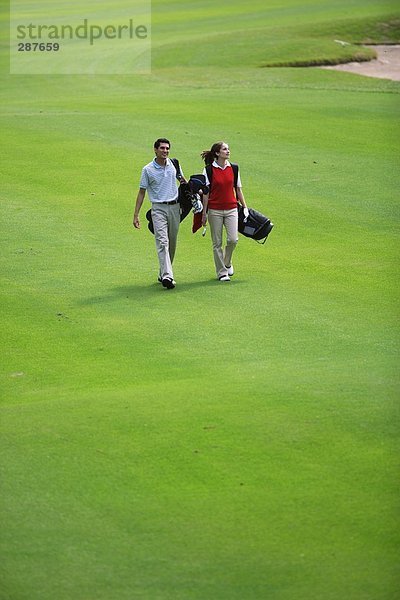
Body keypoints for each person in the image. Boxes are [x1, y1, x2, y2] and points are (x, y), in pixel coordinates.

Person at [133, 138, 186, 289]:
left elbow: (183, 181)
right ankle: (168, 276)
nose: (165, 151)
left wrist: (194, 195)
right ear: (155, 150)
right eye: (162, 148)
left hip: (175, 208)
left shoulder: (174, 164)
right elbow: (142, 192)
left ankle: (163, 272)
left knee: (172, 242)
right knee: (162, 242)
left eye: (167, 148)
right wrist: (136, 215)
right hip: (158, 209)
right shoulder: (148, 169)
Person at [201, 141, 249, 281]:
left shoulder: (234, 168)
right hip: (214, 210)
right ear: (217, 153)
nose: (228, 151)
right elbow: (206, 193)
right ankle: (222, 272)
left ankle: (227, 263)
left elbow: (238, 189)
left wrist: (245, 207)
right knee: (217, 243)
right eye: (224, 149)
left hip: (231, 209)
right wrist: (204, 213)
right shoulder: (209, 170)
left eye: (228, 149)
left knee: (233, 239)